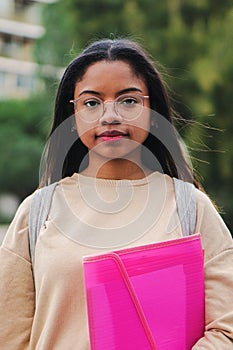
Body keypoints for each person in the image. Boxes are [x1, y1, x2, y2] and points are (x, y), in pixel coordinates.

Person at [0, 38, 232, 349]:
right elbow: (10, 336)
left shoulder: (191, 208)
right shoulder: (38, 211)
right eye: (92, 102)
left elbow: (226, 329)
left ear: (151, 112)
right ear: (72, 117)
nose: (110, 116)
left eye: (128, 101)